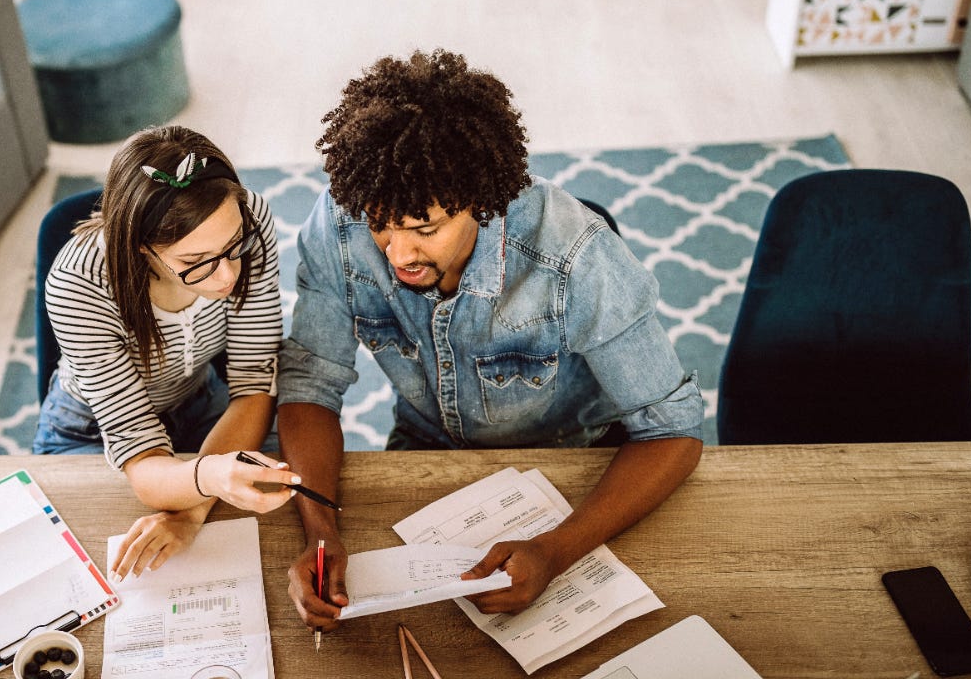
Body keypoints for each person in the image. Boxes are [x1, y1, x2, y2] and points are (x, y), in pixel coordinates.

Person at [277, 50, 705, 629]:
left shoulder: (575, 254)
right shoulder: (338, 223)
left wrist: (555, 552)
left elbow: (673, 432)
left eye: (425, 229)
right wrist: (322, 533)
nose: (397, 254)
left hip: (570, 462)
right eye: (382, 223)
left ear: (481, 203)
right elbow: (309, 385)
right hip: (422, 447)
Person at [35, 125, 298, 580]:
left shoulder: (249, 215)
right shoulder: (77, 284)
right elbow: (140, 453)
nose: (226, 276)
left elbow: (256, 381)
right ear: (141, 248)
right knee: (77, 567)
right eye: (196, 263)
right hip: (89, 428)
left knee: (285, 514)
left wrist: (191, 512)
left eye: (233, 248)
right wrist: (211, 478)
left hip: (199, 398)